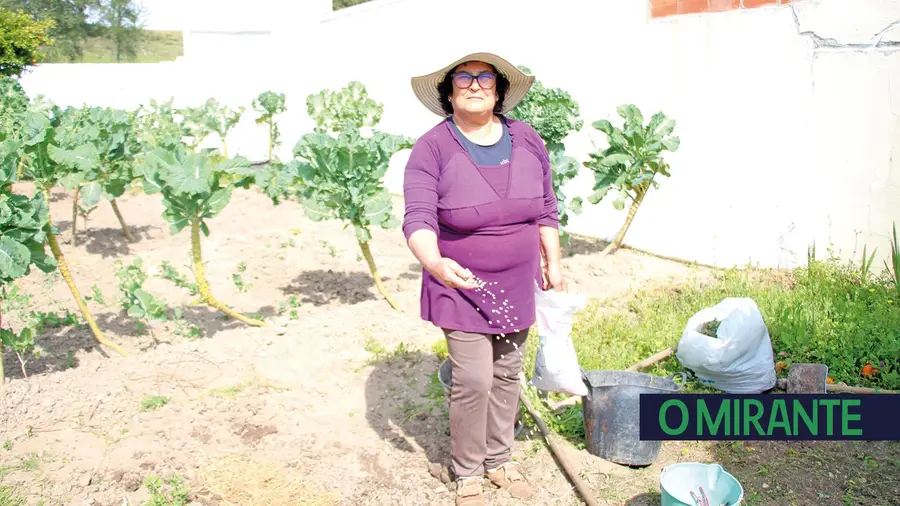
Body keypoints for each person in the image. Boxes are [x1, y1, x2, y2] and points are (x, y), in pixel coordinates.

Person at [402, 51, 568, 505]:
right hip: (460, 283)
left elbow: (547, 209)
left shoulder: (528, 139)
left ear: (498, 91)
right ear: (448, 91)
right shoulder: (432, 147)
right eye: (464, 78)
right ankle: (468, 470)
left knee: (508, 371)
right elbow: (417, 217)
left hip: (517, 280)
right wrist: (434, 263)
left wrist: (553, 261)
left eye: (485, 78)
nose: (475, 85)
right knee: (474, 378)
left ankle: (499, 461)